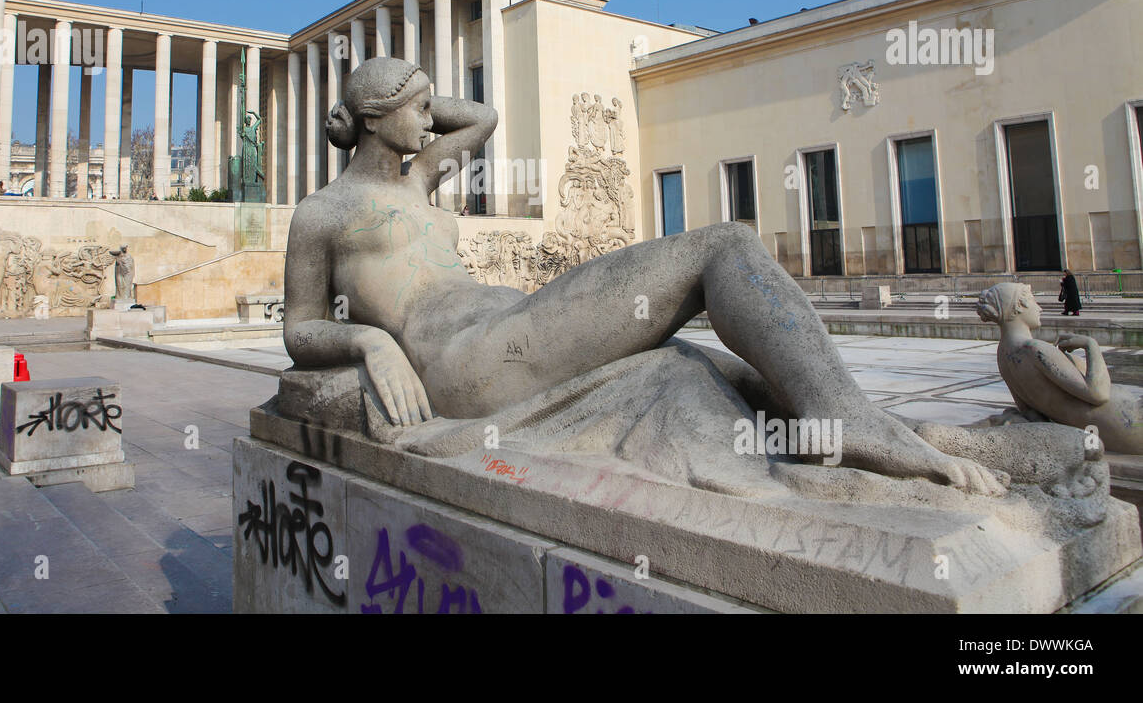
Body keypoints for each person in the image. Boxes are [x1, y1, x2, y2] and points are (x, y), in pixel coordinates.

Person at [281, 57, 1006, 495]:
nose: (430, 122)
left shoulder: (419, 182)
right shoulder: (324, 213)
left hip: (511, 326)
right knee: (721, 247)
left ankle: (871, 429)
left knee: (723, 375)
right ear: (376, 121)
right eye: (414, 110)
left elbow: (484, 117)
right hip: (466, 365)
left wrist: (419, 95)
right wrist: (368, 345)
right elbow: (297, 329)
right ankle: (842, 420)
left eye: (428, 106)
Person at [978, 283, 1140, 453]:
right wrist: (1091, 345)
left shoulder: (1004, 353)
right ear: (1017, 308)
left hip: (1110, 428)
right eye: (1033, 302)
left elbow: (1030, 412)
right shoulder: (1033, 349)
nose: (1039, 308)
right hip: (1127, 425)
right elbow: (1098, 394)